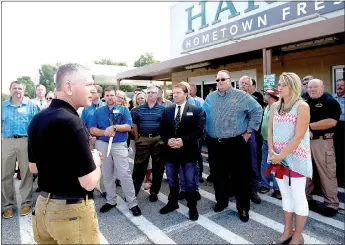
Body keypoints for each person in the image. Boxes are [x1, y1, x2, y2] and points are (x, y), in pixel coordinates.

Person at [27, 63, 102, 244]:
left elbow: (33, 167)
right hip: (71, 213)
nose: (92, 90)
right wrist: (95, 161)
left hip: (43, 209)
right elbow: (89, 182)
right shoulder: (71, 122)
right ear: (68, 87)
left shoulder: (37, 119)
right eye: (88, 84)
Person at [203, 70, 263, 222]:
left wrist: (249, 131)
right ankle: (221, 202)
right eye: (217, 80)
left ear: (230, 80)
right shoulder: (210, 97)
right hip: (215, 144)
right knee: (218, 175)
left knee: (241, 177)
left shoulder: (242, 95)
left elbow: (257, 110)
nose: (220, 82)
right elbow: (204, 116)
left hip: (236, 143)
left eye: (223, 79)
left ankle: (243, 208)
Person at [267, 72, 312, 245]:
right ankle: (287, 231)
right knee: (285, 194)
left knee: (298, 195)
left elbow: (299, 136)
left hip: (296, 158)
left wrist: (280, 156)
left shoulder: (302, 106)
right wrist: (271, 150)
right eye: (279, 83)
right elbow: (270, 130)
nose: (280, 87)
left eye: (284, 84)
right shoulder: (274, 106)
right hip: (278, 158)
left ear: (293, 86)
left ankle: (298, 235)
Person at [90, 87, 141, 216]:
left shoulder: (123, 110)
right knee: (107, 174)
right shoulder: (98, 111)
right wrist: (105, 132)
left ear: (116, 96)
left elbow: (128, 126)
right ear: (104, 97)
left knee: (124, 173)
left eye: (112, 95)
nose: (110, 97)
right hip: (103, 143)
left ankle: (132, 202)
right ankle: (111, 200)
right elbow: (92, 129)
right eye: (107, 95)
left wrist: (115, 127)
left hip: (119, 144)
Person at [159, 82, 204, 221]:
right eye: (174, 92)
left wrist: (183, 140)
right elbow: (162, 130)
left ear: (186, 93)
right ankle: (173, 203)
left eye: (178, 92)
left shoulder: (196, 110)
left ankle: (192, 207)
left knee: (190, 182)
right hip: (171, 151)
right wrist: (167, 140)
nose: (175, 95)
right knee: (172, 180)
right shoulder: (167, 110)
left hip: (188, 152)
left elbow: (199, 131)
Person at [2, 81, 40, 219]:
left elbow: (38, 124)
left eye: (20, 88)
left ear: (24, 91)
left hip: (26, 141)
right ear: (9, 90)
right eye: (14, 88)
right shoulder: (3, 106)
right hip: (7, 141)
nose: (17, 90)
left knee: (26, 173)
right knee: (6, 174)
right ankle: (7, 206)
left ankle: (26, 202)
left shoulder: (31, 106)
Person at [305, 78, 341, 217]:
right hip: (305, 143)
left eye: (315, 87)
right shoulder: (305, 102)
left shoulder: (330, 102)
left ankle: (331, 204)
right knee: (306, 173)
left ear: (322, 87)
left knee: (327, 173)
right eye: (310, 87)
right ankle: (307, 199)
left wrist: (308, 127)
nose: (312, 89)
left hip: (322, 142)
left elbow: (331, 122)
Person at [132, 85, 165, 202]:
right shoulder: (138, 109)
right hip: (143, 139)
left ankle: (154, 192)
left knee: (158, 168)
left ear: (158, 95)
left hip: (158, 139)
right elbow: (135, 124)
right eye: (149, 92)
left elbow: (165, 125)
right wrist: (136, 138)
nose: (151, 94)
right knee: (139, 167)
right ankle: (134, 192)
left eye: (153, 92)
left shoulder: (162, 109)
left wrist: (163, 139)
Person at [239, 76, 262, 204]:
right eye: (241, 82)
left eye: (246, 83)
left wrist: (248, 131)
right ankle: (236, 189)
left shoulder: (253, 99)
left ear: (251, 86)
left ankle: (253, 191)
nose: (243, 85)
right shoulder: (233, 98)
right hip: (235, 136)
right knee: (237, 164)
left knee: (252, 164)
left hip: (250, 135)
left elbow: (257, 115)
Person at [259, 88, 281, 200]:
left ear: (271, 96)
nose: (264, 96)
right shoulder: (268, 106)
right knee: (265, 163)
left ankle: (278, 189)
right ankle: (265, 184)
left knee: (276, 164)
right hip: (266, 140)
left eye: (265, 94)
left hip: (275, 141)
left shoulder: (278, 107)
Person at [130, 92, 152, 190]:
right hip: (135, 139)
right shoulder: (133, 110)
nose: (140, 100)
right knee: (138, 160)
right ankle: (137, 180)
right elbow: (130, 126)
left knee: (148, 160)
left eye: (142, 98)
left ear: (146, 99)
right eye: (138, 98)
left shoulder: (150, 109)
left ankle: (148, 180)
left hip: (148, 139)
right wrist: (136, 137)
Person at [332, 78, 344, 187]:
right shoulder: (331, 97)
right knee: (336, 152)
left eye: (342, 85)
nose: (339, 87)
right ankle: (338, 177)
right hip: (335, 126)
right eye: (338, 85)